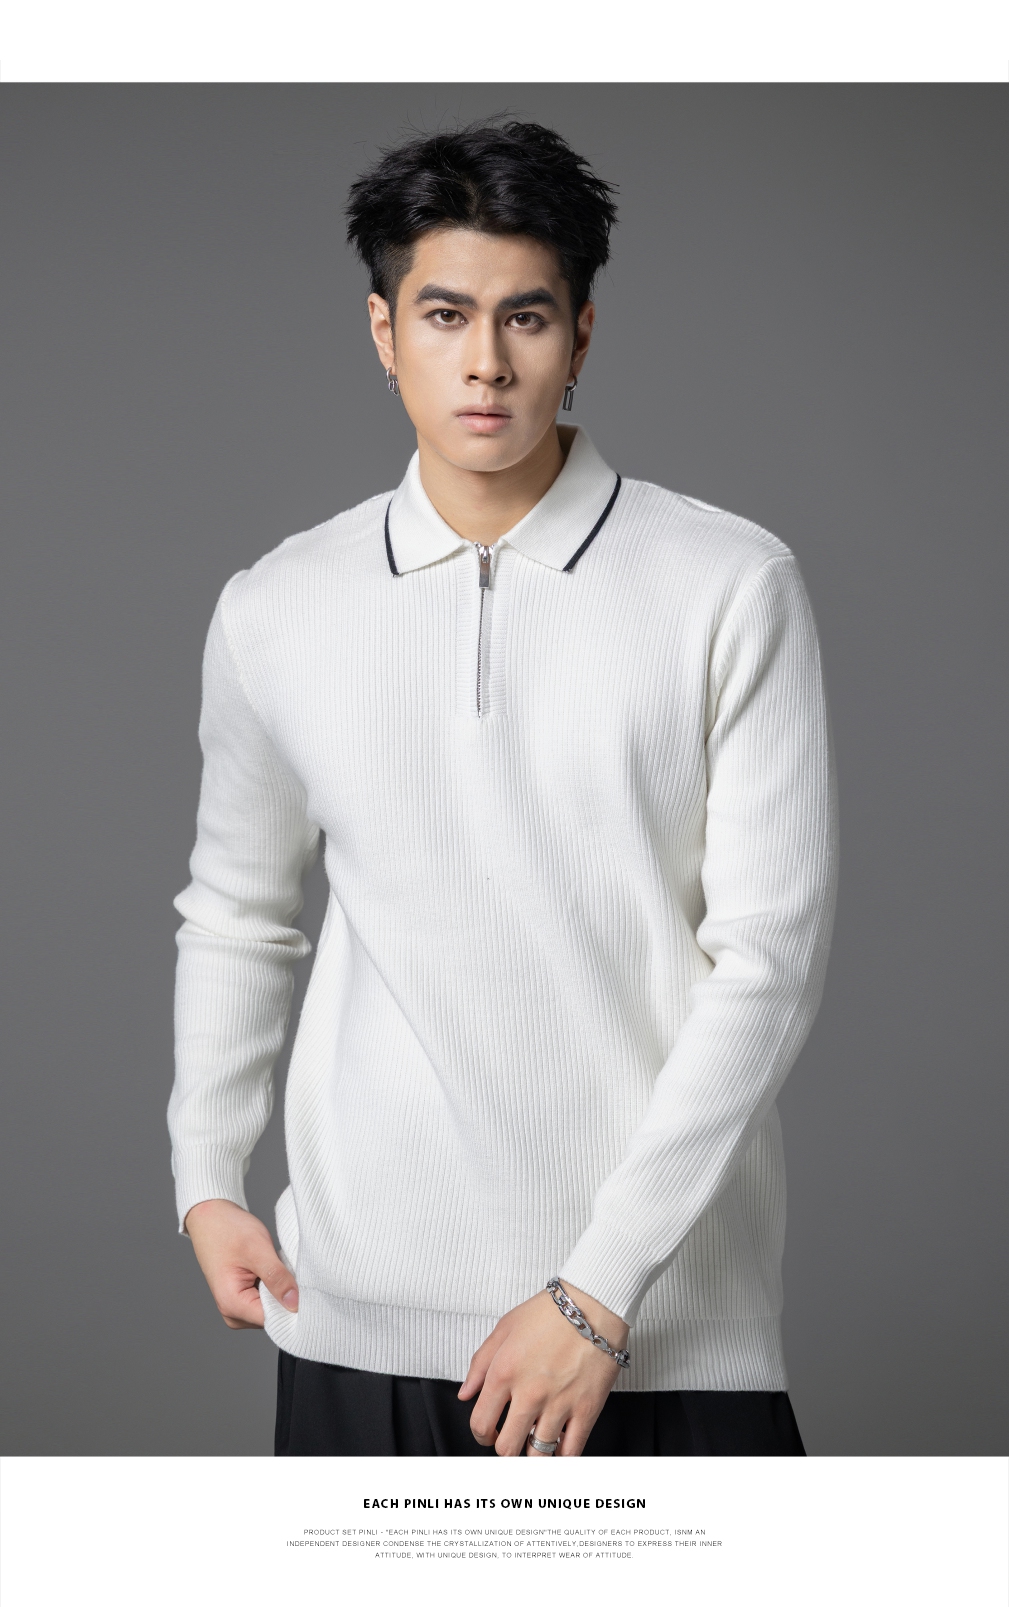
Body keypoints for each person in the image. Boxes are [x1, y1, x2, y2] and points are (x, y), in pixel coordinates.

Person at [169, 119, 838, 1458]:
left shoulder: (727, 584)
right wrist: (206, 1175)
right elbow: (238, 911)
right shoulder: (277, 605)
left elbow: (768, 963)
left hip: (656, 1328)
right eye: (444, 315)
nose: (485, 362)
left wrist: (598, 1289)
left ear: (580, 335)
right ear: (383, 332)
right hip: (355, 1319)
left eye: (524, 317)